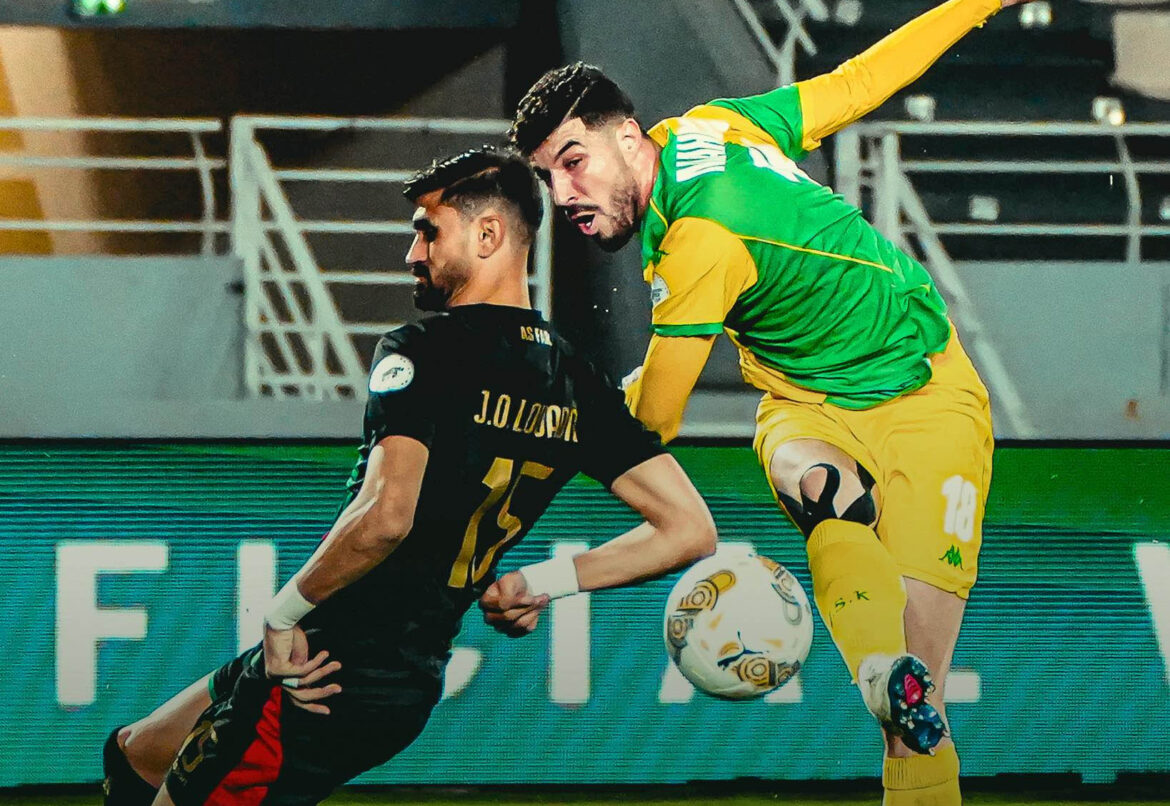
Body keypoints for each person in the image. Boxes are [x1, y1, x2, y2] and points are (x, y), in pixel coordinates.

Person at [506, 1, 1037, 803]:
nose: (563, 193)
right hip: (803, 402)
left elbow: (653, 423)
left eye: (573, 162)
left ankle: (890, 683)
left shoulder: (701, 239)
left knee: (913, 728)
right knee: (818, 483)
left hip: (930, 402)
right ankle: (878, 671)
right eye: (549, 176)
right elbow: (856, 83)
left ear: (629, 137)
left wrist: (560, 425)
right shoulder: (712, 127)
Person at [101, 146, 716, 806]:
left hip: (323, 671)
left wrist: (280, 616)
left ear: (487, 235)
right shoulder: (576, 382)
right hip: (403, 679)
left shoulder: (425, 350)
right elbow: (688, 529)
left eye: (428, 232)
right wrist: (540, 583)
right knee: (135, 755)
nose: (412, 253)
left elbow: (385, 519)